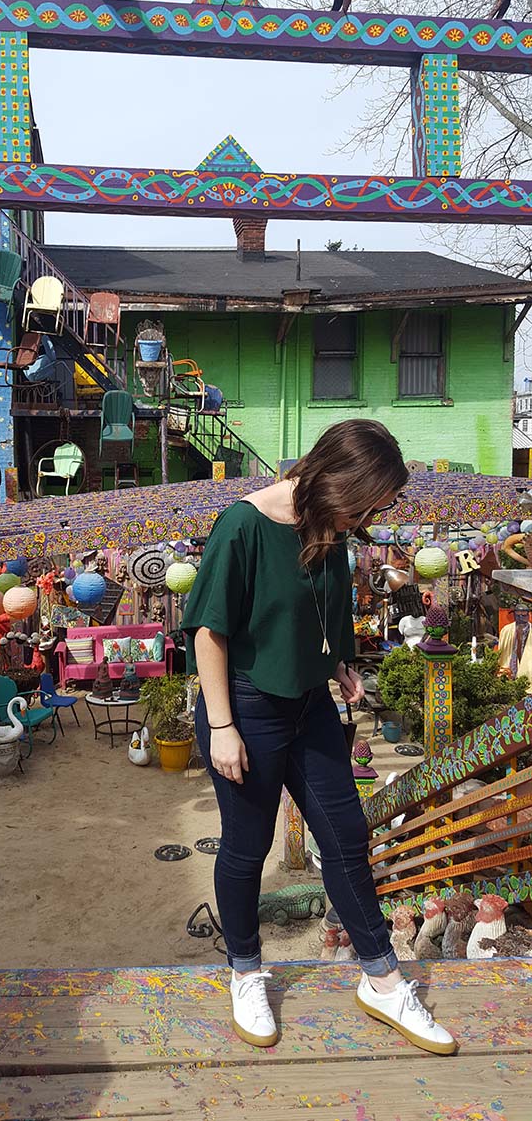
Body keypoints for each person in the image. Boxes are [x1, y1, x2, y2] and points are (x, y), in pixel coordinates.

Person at [182, 419, 457, 1056]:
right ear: (335, 477)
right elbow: (210, 635)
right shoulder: (244, 525)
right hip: (246, 705)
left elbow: (315, 615)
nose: (365, 518)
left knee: (347, 839)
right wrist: (222, 726)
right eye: (365, 503)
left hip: (309, 705)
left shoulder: (331, 531)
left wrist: (342, 668)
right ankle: (246, 971)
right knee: (247, 850)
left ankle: (384, 981)